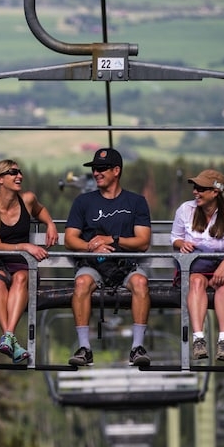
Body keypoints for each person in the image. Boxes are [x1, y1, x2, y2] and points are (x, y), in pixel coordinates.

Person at [64, 148, 152, 367]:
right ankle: (85, 348)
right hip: (94, 264)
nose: (96, 173)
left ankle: (137, 347)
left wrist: (112, 239)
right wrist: (91, 246)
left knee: (140, 282)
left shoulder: (136, 202)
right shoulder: (83, 202)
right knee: (82, 283)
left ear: (116, 171)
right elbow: (69, 239)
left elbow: (143, 241)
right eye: (94, 169)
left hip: (125, 263)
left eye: (102, 169)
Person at [0, 159, 58, 364]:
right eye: (13, 173)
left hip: (22, 264)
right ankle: (11, 338)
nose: (19, 176)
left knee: (22, 278)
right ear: (0, 179)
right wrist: (25, 246)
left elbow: (40, 210)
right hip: (0, 261)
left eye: (19, 172)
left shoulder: (27, 200)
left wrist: (50, 224)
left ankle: (8, 336)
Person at [170, 168, 224, 363]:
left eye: (201, 188)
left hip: (222, 262)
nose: (195, 192)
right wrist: (182, 244)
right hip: (196, 263)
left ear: (215, 192)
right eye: (195, 188)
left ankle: (223, 341)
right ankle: (199, 339)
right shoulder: (186, 210)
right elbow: (175, 237)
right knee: (196, 282)